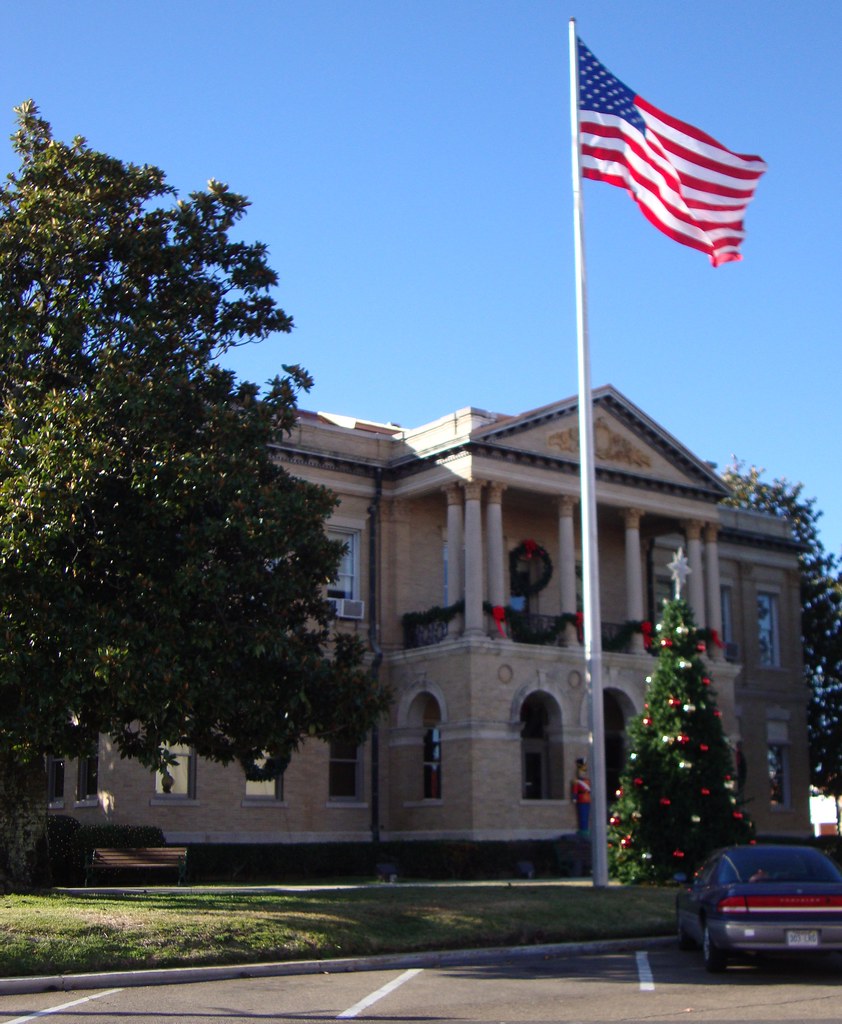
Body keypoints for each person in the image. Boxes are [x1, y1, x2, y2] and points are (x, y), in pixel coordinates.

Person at [571, 758, 591, 835]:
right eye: (581, 771)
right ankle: (583, 829)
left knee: (586, 815)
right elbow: (575, 791)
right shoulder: (576, 782)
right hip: (581, 799)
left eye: (583, 771)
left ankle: (585, 828)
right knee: (581, 815)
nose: (582, 773)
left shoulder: (587, 781)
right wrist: (575, 798)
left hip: (587, 799)